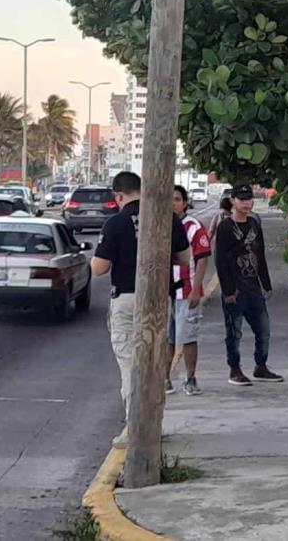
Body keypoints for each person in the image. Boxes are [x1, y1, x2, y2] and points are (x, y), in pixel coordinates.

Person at [90, 171, 190, 446]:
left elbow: (99, 268)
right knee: (155, 365)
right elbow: (184, 259)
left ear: (118, 195)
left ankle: (137, 430)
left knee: (130, 366)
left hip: (126, 299)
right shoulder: (167, 217)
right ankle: (155, 425)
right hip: (159, 299)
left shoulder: (116, 223)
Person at [215, 184, 282, 385]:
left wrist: (266, 284)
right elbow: (220, 261)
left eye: (248, 199)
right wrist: (228, 290)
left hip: (253, 287)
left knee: (264, 329)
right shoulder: (225, 227)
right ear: (233, 201)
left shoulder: (254, 224)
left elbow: (260, 255)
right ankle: (234, 369)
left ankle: (261, 366)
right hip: (235, 289)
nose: (246, 203)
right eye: (241, 199)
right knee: (234, 332)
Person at [166, 185, 212, 397]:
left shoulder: (193, 226)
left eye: (177, 199)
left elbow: (202, 258)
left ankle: (190, 378)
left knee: (188, 338)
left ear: (184, 203)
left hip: (186, 291)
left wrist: (196, 290)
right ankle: (165, 379)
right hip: (164, 294)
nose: (173, 203)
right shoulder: (160, 225)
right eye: (169, 199)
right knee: (167, 339)